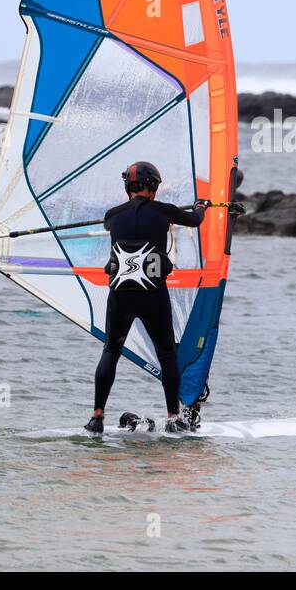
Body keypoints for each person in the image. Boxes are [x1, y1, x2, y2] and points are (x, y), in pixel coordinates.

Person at [84, 161, 208, 435]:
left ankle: (97, 417)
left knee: (111, 350)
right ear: (152, 186)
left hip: (120, 296)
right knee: (166, 353)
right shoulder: (164, 212)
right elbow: (196, 220)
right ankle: (174, 417)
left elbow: (108, 225)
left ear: (128, 187)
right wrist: (202, 205)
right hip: (152, 295)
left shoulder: (112, 215)